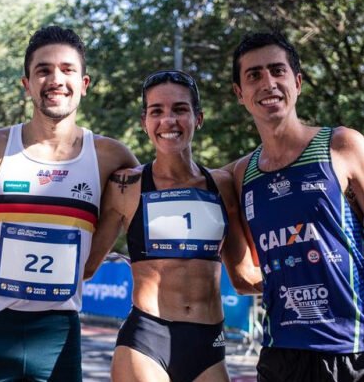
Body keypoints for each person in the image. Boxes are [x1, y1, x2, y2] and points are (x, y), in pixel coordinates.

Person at [0, 25, 138, 382]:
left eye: (67, 69)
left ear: (84, 84)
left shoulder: (113, 157)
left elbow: (136, 221)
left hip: (59, 336)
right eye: (43, 70)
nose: (56, 79)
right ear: (27, 84)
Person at [225, 31, 364, 382]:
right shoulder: (242, 174)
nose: (268, 83)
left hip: (353, 350)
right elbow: (243, 277)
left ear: (297, 82)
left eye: (277, 70)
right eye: (254, 75)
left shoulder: (342, 145)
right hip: (280, 354)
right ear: (239, 93)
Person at [84, 70, 262, 382]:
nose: (168, 121)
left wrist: (307, 276)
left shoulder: (222, 184)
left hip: (209, 343)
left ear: (198, 118)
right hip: (146, 339)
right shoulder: (125, 186)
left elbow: (244, 277)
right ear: (144, 122)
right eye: (156, 111)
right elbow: (85, 266)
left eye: (180, 109)